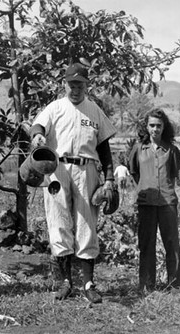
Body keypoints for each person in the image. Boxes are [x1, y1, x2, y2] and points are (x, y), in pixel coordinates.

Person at [30, 63, 116, 303]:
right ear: (63, 84)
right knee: (58, 221)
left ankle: (88, 283)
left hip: (86, 169)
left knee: (86, 221)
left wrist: (109, 178)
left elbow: (104, 147)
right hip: (57, 168)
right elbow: (38, 126)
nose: (75, 89)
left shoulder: (94, 110)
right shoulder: (55, 107)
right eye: (71, 84)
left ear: (86, 85)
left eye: (80, 84)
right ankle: (65, 282)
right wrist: (37, 135)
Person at [129, 108, 180, 293]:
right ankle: (147, 285)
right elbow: (135, 173)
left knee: (171, 242)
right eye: (152, 125)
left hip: (167, 202)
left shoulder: (171, 150)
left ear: (164, 127)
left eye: (159, 126)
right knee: (146, 243)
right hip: (146, 202)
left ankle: (176, 284)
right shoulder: (138, 149)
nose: (155, 129)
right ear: (146, 126)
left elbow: (174, 173)